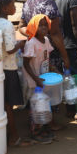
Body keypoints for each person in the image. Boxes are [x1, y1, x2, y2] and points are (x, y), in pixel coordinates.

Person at [0, 0, 32, 147]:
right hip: (9, 69)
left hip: (0, 67)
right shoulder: (7, 25)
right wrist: (20, 45)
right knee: (9, 105)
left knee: (5, 104)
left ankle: (10, 136)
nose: (15, 7)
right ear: (5, 8)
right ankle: (14, 137)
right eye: (13, 4)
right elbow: (9, 50)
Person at [19, 0, 70, 71]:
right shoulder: (49, 3)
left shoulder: (28, 2)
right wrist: (65, 56)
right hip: (51, 52)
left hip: (37, 52)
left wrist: (33, 34)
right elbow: (55, 33)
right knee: (53, 80)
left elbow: (21, 27)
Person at [22, 14, 55, 143]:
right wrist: (36, 79)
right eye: (40, 25)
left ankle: (44, 128)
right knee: (35, 106)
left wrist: (53, 68)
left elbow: (47, 57)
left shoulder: (46, 40)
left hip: (42, 78)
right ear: (34, 27)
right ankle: (35, 131)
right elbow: (26, 63)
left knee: (44, 104)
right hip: (33, 80)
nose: (43, 27)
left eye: (45, 25)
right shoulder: (31, 43)